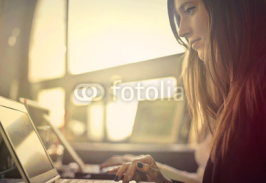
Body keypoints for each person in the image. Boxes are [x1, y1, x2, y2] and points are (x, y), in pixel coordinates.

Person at [105, 0, 266, 182]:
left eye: (190, 9)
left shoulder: (256, 88)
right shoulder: (239, 92)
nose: (182, 31)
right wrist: (160, 177)